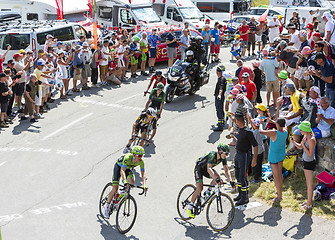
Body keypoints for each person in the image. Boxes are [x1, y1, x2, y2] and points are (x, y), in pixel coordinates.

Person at [187, 144, 235, 218]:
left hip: (207, 169)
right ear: (220, 152)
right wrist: (216, 179)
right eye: (226, 153)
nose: (226, 155)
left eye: (227, 154)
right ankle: (190, 207)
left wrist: (231, 181)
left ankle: (208, 191)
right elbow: (209, 169)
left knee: (218, 177)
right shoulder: (212, 155)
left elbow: (226, 170)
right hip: (199, 168)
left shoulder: (223, 158)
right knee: (199, 188)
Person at [104, 146, 148, 219]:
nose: (141, 157)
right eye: (139, 156)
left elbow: (143, 174)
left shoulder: (141, 162)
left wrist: (144, 185)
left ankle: (121, 195)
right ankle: (107, 207)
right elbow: (122, 171)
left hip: (127, 169)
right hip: (119, 167)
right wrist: (124, 181)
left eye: (142, 155)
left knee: (132, 182)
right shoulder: (127, 158)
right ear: (134, 155)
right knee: (115, 188)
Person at [259, 118, 287, 202]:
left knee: (276, 176)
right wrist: (273, 121)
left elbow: (261, 131)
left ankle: (279, 196)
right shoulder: (285, 131)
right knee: (279, 174)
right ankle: (279, 191)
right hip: (281, 155)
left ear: (277, 124)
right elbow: (281, 125)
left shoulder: (274, 132)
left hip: (274, 156)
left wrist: (261, 123)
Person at [233, 113, 258, 206]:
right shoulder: (240, 130)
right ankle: (240, 194)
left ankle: (245, 197)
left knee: (243, 176)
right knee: (238, 175)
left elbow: (255, 145)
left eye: (235, 121)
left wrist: (254, 159)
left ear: (238, 121)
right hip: (238, 154)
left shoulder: (248, 132)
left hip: (244, 155)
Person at [290, 121, 316, 210]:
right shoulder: (305, 137)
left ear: (305, 129)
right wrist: (293, 142)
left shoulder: (311, 140)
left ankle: (309, 204)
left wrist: (303, 145)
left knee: (310, 184)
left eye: (301, 129)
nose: (300, 131)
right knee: (307, 183)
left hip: (309, 162)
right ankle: (308, 200)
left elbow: (310, 154)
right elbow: (301, 147)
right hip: (305, 161)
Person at [213, 65, 227, 131]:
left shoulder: (221, 79)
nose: (217, 72)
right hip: (220, 97)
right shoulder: (221, 78)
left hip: (219, 97)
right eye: (217, 71)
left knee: (219, 110)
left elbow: (221, 88)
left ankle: (220, 126)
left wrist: (219, 95)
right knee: (220, 109)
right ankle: (222, 122)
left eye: (219, 71)